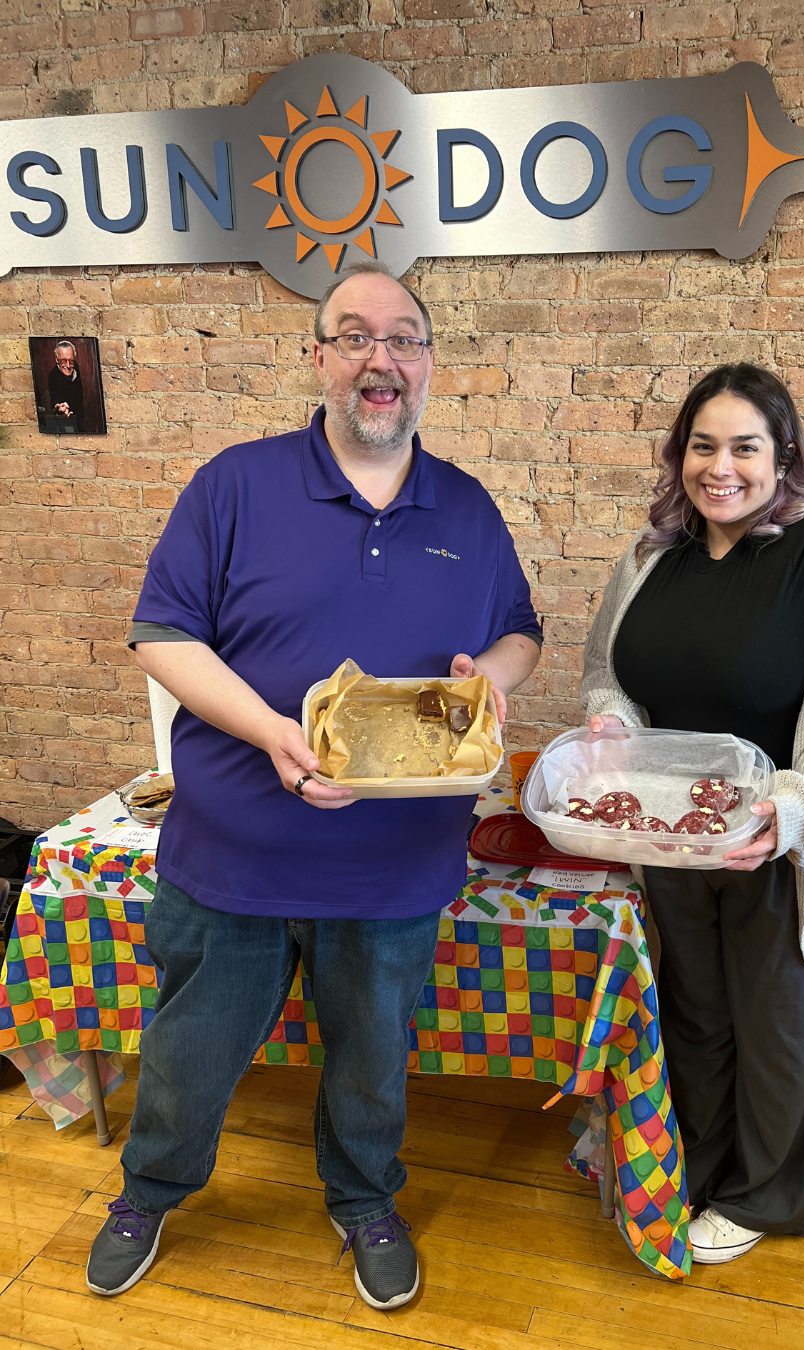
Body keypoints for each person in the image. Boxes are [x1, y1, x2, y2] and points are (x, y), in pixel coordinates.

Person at [86, 261, 542, 1309]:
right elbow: (163, 635)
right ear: (321, 358)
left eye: (406, 339)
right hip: (233, 850)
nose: (382, 358)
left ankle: (365, 1198)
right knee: (191, 1051)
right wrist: (274, 734)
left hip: (394, 867)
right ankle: (148, 1192)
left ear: (429, 364)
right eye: (355, 336)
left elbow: (520, 629)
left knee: (374, 1061)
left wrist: (496, 678)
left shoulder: (465, 508)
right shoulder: (235, 484)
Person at [581, 363, 804, 1266]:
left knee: (781, 1024)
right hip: (673, 840)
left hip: (785, 852)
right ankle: (699, 1159)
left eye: (744, 447)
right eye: (701, 446)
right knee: (693, 1014)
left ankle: (769, 1195)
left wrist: (800, 805)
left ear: (785, 455)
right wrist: (611, 723)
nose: (719, 467)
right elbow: (611, 669)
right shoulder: (654, 554)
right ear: (678, 455)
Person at [46, 340, 84, 427]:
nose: (67, 365)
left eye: (71, 361)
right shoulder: (53, 376)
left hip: (80, 418)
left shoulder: (76, 368)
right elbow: (55, 399)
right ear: (57, 360)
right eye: (63, 361)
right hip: (64, 421)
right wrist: (60, 407)